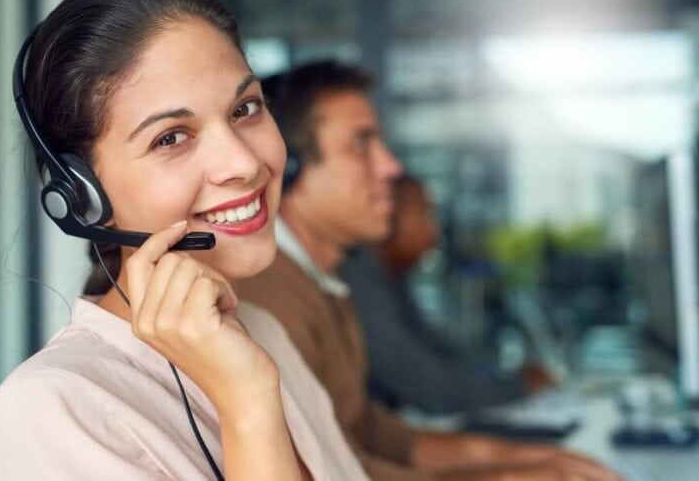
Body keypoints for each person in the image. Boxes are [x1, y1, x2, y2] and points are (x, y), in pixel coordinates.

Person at [0, 0, 371, 480]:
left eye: (244, 108)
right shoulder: (50, 411)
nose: (243, 163)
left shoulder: (262, 331)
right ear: (83, 195)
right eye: (171, 138)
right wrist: (247, 404)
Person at [234, 60, 620, 480]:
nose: (390, 167)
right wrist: (512, 477)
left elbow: (369, 433)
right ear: (287, 166)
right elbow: (334, 471)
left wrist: (533, 459)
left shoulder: (322, 280)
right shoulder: (270, 296)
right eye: (361, 145)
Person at [340, 175, 553, 415]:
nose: (434, 231)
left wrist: (506, 379)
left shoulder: (390, 278)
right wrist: (519, 386)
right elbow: (428, 386)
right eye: (426, 214)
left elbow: (443, 354)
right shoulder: (358, 280)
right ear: (386, 211)